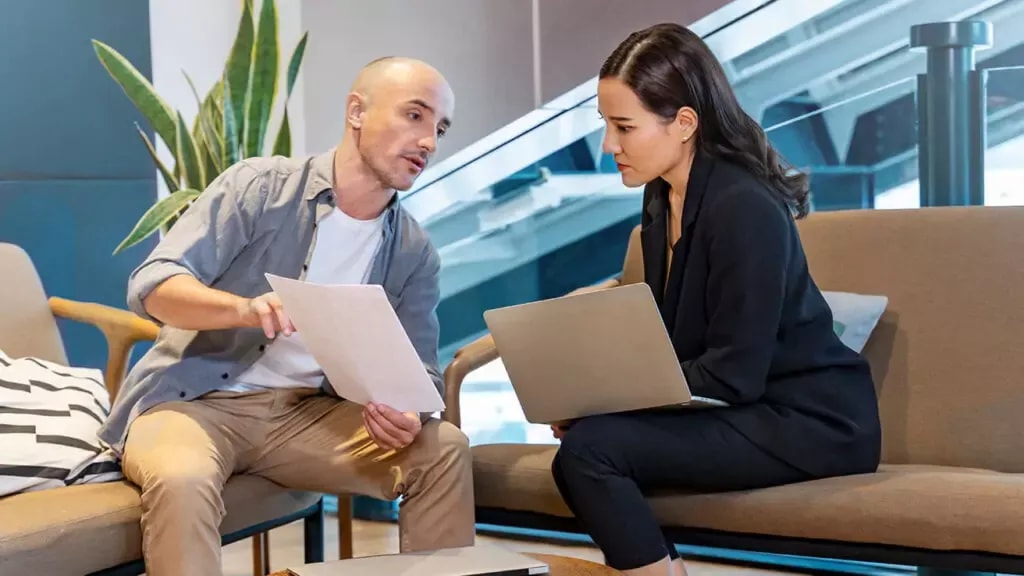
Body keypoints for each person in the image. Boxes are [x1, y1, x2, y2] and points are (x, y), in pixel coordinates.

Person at [97, 56, 475, 576]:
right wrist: (243, 309)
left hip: (307, 415)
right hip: (194, 404)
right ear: (357, 112)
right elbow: (153, 285)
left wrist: (409, 413)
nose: (429, 141)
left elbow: (422, 372)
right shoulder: (260, 187)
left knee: (444, 448)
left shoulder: (413, 251)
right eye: (415, 116)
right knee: (182, 478)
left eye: (440, 128)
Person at [548, 23, 882, 576]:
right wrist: (591, 397)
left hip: (809, 423)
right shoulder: (661, 199)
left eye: (623, 127)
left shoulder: (744, 208)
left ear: (683, 123)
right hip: (745, 409)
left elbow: (735, 374)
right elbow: (670, 346)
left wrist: (616, 403)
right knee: (584, 447)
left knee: (591, 452)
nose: (609, 145)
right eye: (606, 125)